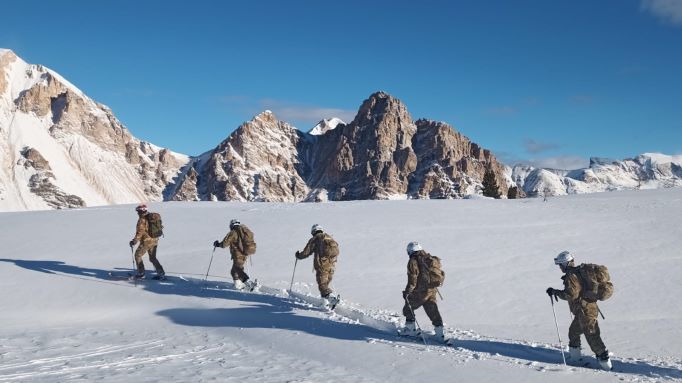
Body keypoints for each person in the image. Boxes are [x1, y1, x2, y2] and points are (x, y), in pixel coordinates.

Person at [546, 251, 612, 370]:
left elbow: (571, 295)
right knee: (573, 332)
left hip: (585, 311)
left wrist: (555, 292)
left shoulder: (571, 276)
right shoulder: (578, 271)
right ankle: (575, 359)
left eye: (560, 265)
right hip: (586, 309)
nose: (560, 267)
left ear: (566, 264)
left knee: (592, 336)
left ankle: (606, 365)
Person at [401, 241, 445, 341]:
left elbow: (413, 278)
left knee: (408, 308)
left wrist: (408, 291)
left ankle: (410, 330)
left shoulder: (413, 261)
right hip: (432, 290)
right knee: (433, 311)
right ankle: (440, 334)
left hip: (420, 291)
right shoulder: (429, 258)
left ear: (410, 251)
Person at [295, 224, 340, 308]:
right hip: (331, 266)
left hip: (322, 266)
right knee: (325, 284)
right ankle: (325, 302)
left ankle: (331, 299)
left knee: (322, 285)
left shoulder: (315, 239)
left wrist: (298, 256)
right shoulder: (328, 237)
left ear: (313, 231)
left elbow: (306, 253)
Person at [213, 219, 256, 291]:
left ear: (232, 225)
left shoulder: (233, 233)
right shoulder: (243, 232)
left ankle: (248, 282)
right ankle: (238, 285)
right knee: (234, 271)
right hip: (244, 254)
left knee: (237, 270)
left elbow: (224, 244)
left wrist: (217, 244)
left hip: (238, 255)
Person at [129, 204, 165, 280]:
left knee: (137, 255)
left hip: (146, 242)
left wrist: (134, 241)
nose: (137, 213)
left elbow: (140, 232)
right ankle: (161, 273)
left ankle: (141, 274)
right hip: (155, 240)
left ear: (141, 211)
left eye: (138, 211)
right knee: (152, 258)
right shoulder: (151, 217)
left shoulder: (142, 220)